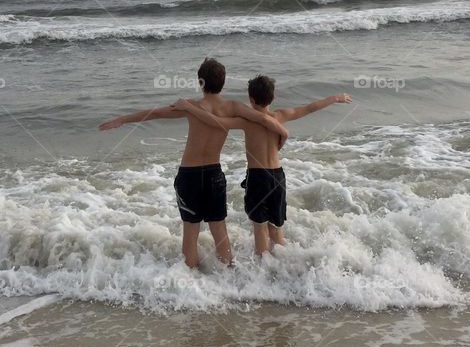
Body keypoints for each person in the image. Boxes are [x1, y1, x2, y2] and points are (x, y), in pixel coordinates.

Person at [99, 59, 288, 269]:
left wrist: (123, 119)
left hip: (189, 175)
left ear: (201, 83)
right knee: (218, 227)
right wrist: (283, 132)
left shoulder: (190, 106)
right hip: (214, 174)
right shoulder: (233, 107)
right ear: (223, 83)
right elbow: (262, 119)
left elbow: (155, 113)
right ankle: (229, 273)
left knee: (190, 229)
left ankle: (189, 279)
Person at [174, 75, 351, 256]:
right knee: (275, 227)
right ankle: (282, 265)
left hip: (258, 177)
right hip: (278, 176)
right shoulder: (281, 116)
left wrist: (190, 108)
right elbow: (309, 108)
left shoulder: (247, 122)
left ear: (250, 100)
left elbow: (215, 121)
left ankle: (263, 268)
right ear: (273, 97)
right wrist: (335, 98)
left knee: (260, 228)